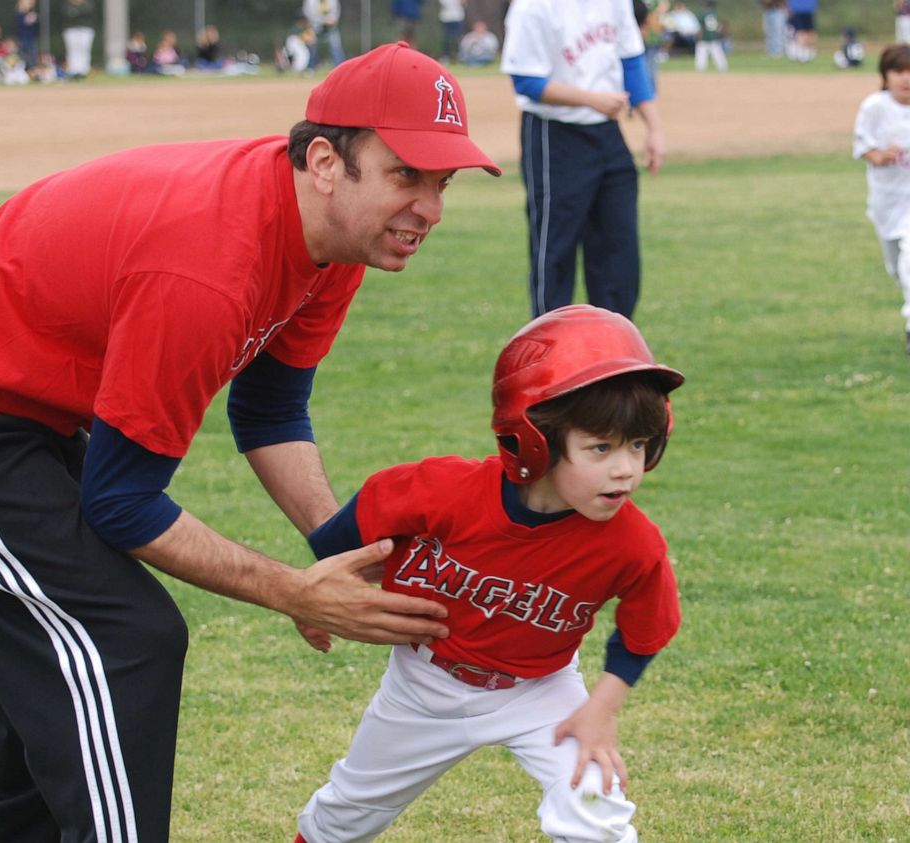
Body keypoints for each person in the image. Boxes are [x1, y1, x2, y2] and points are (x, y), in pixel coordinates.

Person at [0, 42, 499, 843]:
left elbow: (269, 409)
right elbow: (121, 501)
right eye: (407, 176)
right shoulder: (207, 268)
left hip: (23, 410)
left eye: (444, 183)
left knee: (63, 668)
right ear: (327, 161)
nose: (430, 207)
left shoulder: (331, 242)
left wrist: (348, 549)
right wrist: (292, 589)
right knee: (121, 644)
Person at [292, 305, 684, 843]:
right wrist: (315, 593)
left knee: (596, 803)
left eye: (638, 445)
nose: (626, 468)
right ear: (535, 442)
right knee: (347, 812)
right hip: (423, 684)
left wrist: (600, 710)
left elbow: (645, 631)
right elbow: (360, 519)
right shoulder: (446, 490)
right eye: (601, 447)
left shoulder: (632, 544)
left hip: (539, 690)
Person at [501, 0, 665, 320]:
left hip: (607, 134)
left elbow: (631, 60)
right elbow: (526, 81)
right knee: (556, 251)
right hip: (555, 135)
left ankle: (614, 351)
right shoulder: (532, 7)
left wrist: (654, 128)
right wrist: (591, 100)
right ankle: (552, 353)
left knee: (619, 252)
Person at [853, 43, 910, 354]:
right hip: (887, 200)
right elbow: (864, 147)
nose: (906, 79)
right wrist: (880, 156)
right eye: (899, 71)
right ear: (885, 75)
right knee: (896, 267)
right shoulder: (875, 106)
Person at [302, 0, 346, 69]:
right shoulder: (310, 1)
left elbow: (336, 12)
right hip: (314, 27)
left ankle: (341, 68)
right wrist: (323, 20)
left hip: (330, 28)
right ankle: (310, 68)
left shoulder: (333, 1)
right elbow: (308, 14)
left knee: (335, 47)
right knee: (312, 48)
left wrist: (332, 19)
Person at [62, 0, 96, 78]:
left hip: (85, 29)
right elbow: (66, 14)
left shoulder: (88, 4)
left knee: (84, 50)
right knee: (72, 50)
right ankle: (73, 71)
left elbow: (87, 12)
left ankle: (84, 70)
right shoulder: (67, 5)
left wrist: (75, 12)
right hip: (71, 29)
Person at [694, 0, 728, 72]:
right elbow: (720, 26)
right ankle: (723, 68)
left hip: (705, 37)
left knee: (701, 55)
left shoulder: (702, 14)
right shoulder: (715, 14)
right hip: (714, 37)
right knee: (718, 54)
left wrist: (699, 37)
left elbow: (701, 27)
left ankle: (700, 69)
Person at [15, 0, 39, 69]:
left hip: (30, 39)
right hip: (23, 39)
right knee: (24, 57)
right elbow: (25, 22)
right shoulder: (20, 14)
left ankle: (32, 69)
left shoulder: (28, 13)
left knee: (32, 57)